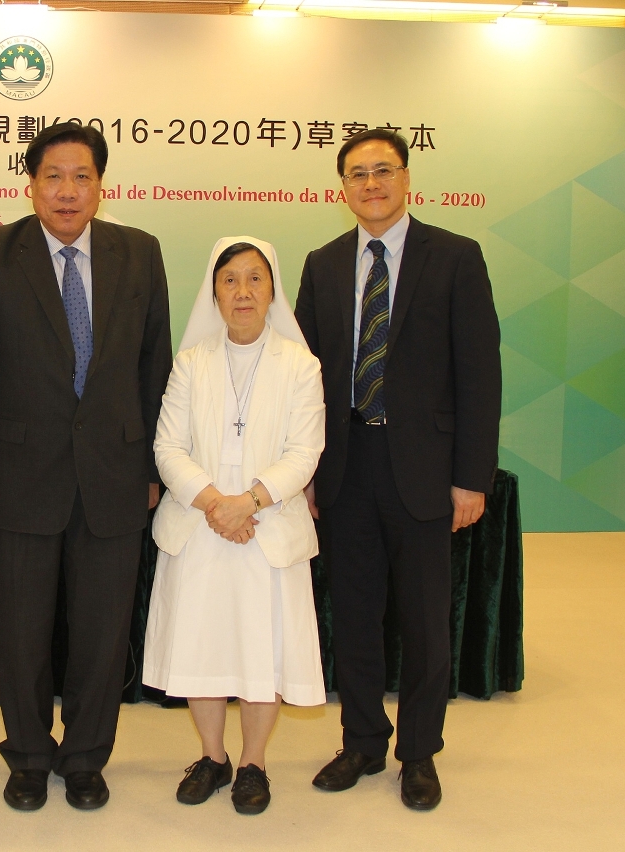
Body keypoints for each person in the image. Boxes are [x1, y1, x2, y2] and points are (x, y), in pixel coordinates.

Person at [0, 123, 173, 811]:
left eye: (80, 176)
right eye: (53, 176)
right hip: (16, 479)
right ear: (30, 183)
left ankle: (84, 758)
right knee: (19, 631)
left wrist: (157, 465)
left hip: (116, 474)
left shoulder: (139, 253)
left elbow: (155, 367)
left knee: (102, 633)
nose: (67, 191)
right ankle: (26, 756)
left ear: (101, 185)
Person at [294, 128, 501, 810]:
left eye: (383, 170)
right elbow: (304, 378)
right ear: (341, 189)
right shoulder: (321, 264)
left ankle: (418, 752)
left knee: (422, 619)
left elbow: (479, 374)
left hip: (424, 468)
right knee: (352, 615)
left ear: (406, 178)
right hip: (347, 464)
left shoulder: (454, 257)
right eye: (357, 174)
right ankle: (359, 741)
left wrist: (471, 476)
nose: (371, 183)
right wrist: (305, 473)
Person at [145, 237, 326, 814]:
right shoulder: (191, 363)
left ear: (272, 290)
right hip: (199, 525)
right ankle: (211, 756)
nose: (242, 291)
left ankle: (253, 763)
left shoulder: (301, 366)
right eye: (230, 280)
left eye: (255, 278)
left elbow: (306, 451)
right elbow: (167, 446)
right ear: (214, 292)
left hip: (267, 527)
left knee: (261, 650)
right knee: (201, 644)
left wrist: (246, 502)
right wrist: (214, 503)